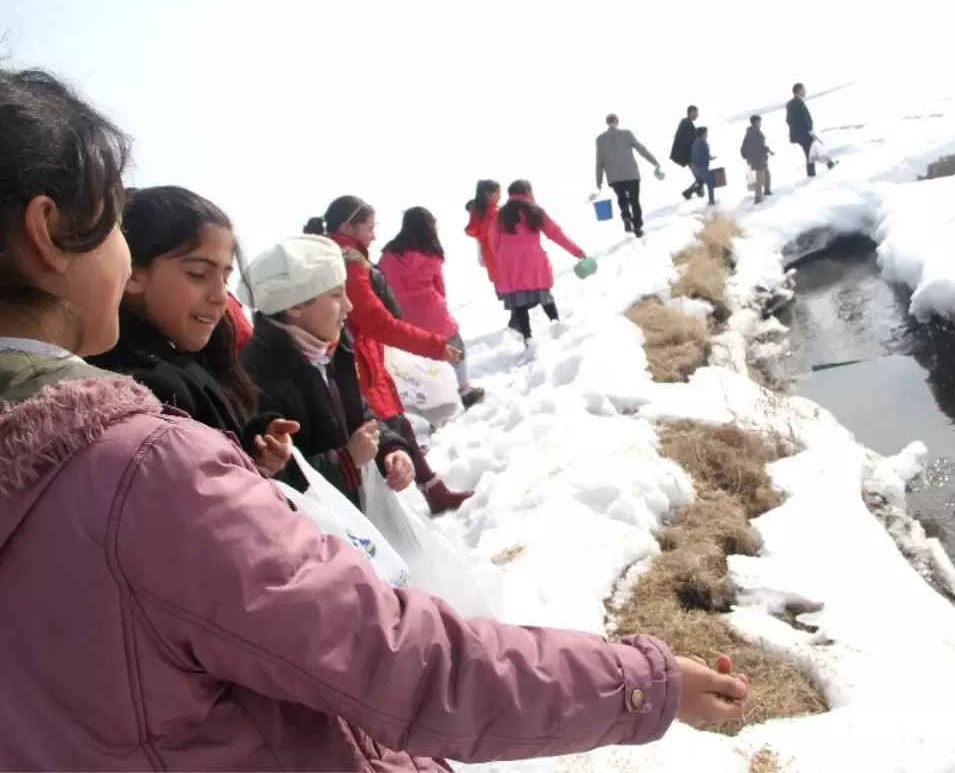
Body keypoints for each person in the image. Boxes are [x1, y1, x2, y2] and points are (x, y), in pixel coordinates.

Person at [0, 65, 750, 773]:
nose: (126, 256)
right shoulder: (140, 471)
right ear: (46, 232)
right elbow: (397, 660)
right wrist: (641, 682)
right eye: (113, 223)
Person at [87, 185, 295, 479]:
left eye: (225, 277)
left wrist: (256, 443)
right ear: (133, 273)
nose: (221, 297)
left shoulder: (192, 354)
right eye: (199, 274)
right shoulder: (142, 390)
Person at [309, 196, 472, 514]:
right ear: (348, 227)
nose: (373, 234)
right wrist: (435, 345)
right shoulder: (348, 262)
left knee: (397, 425)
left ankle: (432, 489)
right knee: (382, 432)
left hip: (358, 358)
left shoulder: (326, 255)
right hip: (355, 362)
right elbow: (378, 322)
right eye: (369, 227)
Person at [238, 236, 418, 508]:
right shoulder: (257, 377)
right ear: (295, 307)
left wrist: (391, 448)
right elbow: (273, 477)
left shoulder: (330, 346)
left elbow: (357, 414)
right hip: (319, 532)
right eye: (336, 295)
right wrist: (345, 461)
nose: (348, 306)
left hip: (356, 512)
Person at [379, 207, 485, 410]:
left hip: (403, 315)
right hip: (432, 311)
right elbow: (440, 287)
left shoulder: (388, 254)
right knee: (456, 349)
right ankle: (465, 390)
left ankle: (429, 403)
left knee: (420, 361)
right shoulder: (431, 252)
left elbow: (384, 285)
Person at [490, 180, 587, 345]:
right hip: (532, 258)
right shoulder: (534, 211)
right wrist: (577, 252)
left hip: (509, 261)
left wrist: (502, 259)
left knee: (519, 302)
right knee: (544, 295)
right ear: (527, 192)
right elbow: (556, 234)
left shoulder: (502, 214)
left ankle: (528, 338)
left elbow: (493, 241)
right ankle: (556, 326)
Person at [595, 113, 662, 238]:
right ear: (617, 121)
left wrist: (598, 181)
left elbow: (599, 162)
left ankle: (626, 217)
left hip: (614, 177)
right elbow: (641, 149)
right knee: (634, 200)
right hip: (631, 174)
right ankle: (637, 227)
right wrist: (654, 162)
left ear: (607, 123)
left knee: (622, 198)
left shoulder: (600, 139)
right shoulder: (626, 134)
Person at [464, 178, 501, 285]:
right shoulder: (494, 213)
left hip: (489, 259)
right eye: (497, 193)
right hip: (503, 260)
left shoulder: (478, 214)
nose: (499, 196)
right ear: (488, 195)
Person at [671, 105, 707, 201]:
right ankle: (691, 192)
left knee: (700, 176)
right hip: (686, 155)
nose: (696, 115)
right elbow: (687, 140)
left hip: (687, 155)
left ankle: (693, 191)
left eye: (697, 113)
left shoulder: (688, 123)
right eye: (695, 113)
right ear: (690, 113)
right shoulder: (686, 123)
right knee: (700, 177)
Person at [740, 115, 775, 205]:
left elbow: (744, 146)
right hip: (758, 158)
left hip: (754, 157)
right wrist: (767, 151)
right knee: (760, 179)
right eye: (759, 122)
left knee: (766, 173)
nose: (760, 124)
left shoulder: (750, 132)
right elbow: (760, 146)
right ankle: (758, 198)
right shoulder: (756, 133)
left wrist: (747, 157)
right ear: (756, 122)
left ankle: (767, 190)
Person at [786, 82, 817, 178]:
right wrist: (809, 130)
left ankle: (829, 163)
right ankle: (811, 174)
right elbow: (804, 119)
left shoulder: (791, 104)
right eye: (803, 89)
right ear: (799, 90)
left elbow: (788, 120)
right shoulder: (798, 103)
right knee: (811, 151)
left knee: (813, 149)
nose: (805, 91)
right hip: (804, 133)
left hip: (799, 134)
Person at [690, 126, 717, 206]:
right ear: (702, 134)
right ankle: (711, 202)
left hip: (694, 168)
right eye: (706, 133)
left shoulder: (695, 142)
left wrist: (710, 157)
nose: (707, 135)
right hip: (701, 168)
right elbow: (700, 155)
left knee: (701, 181)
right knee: (710, 181)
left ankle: (692, 191)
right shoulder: (703, 143)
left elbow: (699, 154)